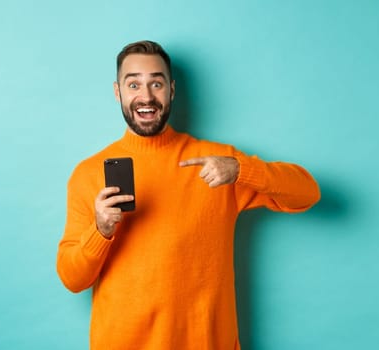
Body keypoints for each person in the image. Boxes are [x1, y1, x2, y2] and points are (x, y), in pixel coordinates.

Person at [55, 40, 320, 350]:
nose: (146, 96)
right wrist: (100, 230)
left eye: (156, 82)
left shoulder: (218, 163)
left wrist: (242, 170)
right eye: (134, 84)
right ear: (118, 92)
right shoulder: (89, 174)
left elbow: (307, 192)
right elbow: (72, 279)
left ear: (172, 90)